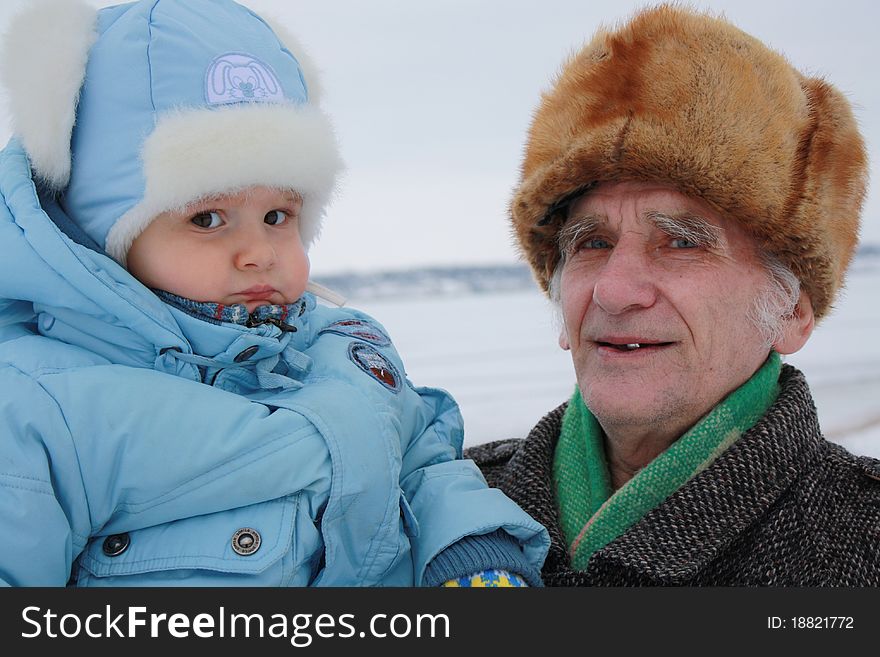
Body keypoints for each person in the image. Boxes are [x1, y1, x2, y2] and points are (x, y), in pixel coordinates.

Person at [0, 0, 549, 587]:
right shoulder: (38, 411)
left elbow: (423, 464)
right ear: (101, 237)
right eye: (208, 218)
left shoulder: (349, 353)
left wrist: (471, 552)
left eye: (277, 215)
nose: (259, 251)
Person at [465, 4, 880, 585]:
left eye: (682, 242)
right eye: (590, 243)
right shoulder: (440, 509)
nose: (614, 289)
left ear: (793, 310)